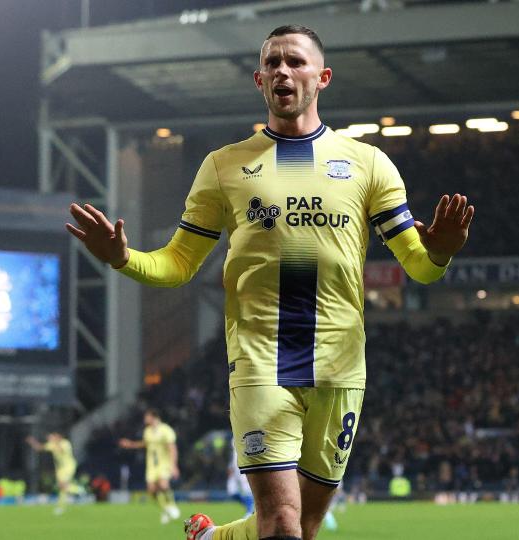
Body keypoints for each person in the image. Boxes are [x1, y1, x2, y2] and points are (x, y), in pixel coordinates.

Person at [65, 24, 474, 540]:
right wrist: (125, 258)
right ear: (259, 80)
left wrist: (439, 251)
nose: (283, 69)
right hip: (261, 361)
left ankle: (213, 539)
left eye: (296, 61)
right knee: (281, 523)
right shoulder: (223, 167)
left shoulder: (370, 164)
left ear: (322, 77)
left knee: (303, 522)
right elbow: (179, 264)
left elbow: (417, 267)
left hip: (341, 366)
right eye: (273, 63)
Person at [119, 409, 181, 524]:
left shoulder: (166, 430)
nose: (144, 419)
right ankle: (165, 509)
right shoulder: (147, 431)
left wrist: (173, 465)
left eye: (146, 416)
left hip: (164, 463)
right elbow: (145, 444)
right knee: (151, 491)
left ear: (153, 417)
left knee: (163, 484)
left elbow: (172, 448)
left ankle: (172, 505)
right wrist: (130, 444)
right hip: (151, 465)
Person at [26, 432, 79, 515]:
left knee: (62, 485)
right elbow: (39, 448)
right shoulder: (52, 444)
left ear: (58, 437)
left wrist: (54, 442)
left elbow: (61, 450)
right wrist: (32, 441)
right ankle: (62, 505)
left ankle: (78, 490)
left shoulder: (65, 443)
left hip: (69, 466)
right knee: (62, 488)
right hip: (60, 469)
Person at [227, 435, 255, 519]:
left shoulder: (247, 434)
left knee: (247, 490)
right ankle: (251, 505)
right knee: (231, 492)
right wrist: (230, 466)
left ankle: (249, 511)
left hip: (244, 466)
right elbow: (233, 454)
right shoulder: (234, 436)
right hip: (234, 469)